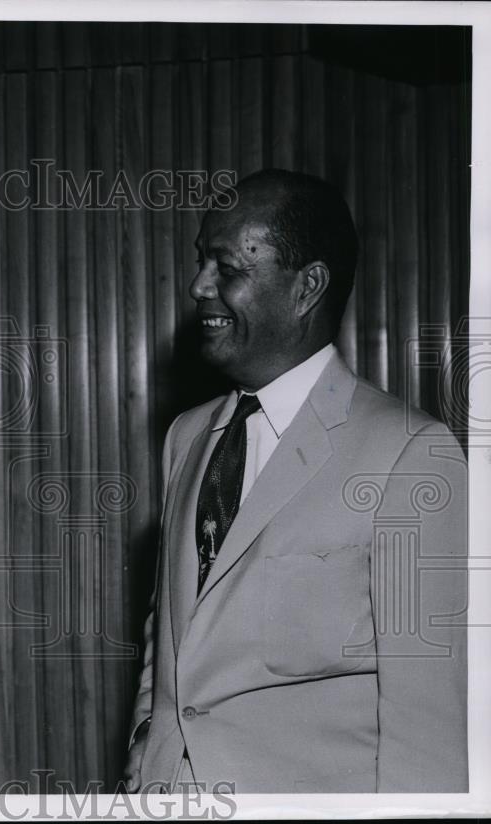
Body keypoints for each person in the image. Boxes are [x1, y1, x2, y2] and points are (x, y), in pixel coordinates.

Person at [124, 169, 468, 793]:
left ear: (307, 285)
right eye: (201, 262)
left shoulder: (411, 456)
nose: (199, 285)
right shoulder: (186, 437)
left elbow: (430, 728)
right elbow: (170, 654)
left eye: (227, 267)